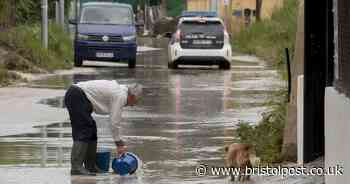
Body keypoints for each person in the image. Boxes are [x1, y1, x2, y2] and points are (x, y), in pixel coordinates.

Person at [64, 80, 143, 175]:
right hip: (77, 95)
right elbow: (114, 122)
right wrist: (119, 143)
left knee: (91, 129)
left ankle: (90, 166)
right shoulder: (121, 96)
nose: (132, 105)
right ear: (132, 96)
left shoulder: (121, 92)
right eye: (135, 101)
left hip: (80, 97)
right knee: (83, 130)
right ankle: (76, 167)